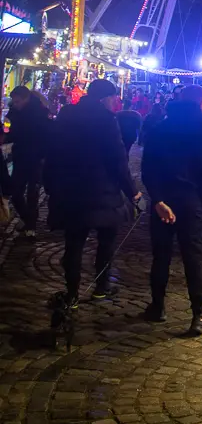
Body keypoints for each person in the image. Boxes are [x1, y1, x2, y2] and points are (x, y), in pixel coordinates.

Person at [44, 79, 139, 303]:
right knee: (106, 242)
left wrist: (49, 183)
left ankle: (72, 293)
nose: (116, 102)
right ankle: (101, 286)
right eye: (114, 97)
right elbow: (117, 160)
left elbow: (53, 152)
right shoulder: (107, 120)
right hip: (102, 191)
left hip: (70, 189)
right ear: (105, 98)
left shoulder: (66, 115)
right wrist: (132, 190)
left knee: (74, 243)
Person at [141, 84, 202, 335]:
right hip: (192, 202)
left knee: (161, 257)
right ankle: (197, 315)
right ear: (201, 104)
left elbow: (148, 169)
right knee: (193, 258)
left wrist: (157, 200)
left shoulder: (159, 129)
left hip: (164, 200)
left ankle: (158, 306)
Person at [4, 86, 50, 238]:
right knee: (15, 191)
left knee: (33, 192)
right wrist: (5, 131)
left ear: (26, 98)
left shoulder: (40, 111)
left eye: (17, 101)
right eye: (14, 101)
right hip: (21, 155)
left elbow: (45, 134)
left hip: (36, 157)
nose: (15, 104)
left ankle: (31, 226)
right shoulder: (14, 111)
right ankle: (28, 219)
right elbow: (8, 128)